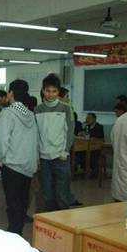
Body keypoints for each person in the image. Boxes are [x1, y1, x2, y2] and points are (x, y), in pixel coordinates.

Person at [0, 80, 39, 236]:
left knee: (12, 202)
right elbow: (35, 141)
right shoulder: (31, 114)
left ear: (11, 93)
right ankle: (18, 231)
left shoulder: (7, 113)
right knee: (22, 201)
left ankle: (14, 233)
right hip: (28, 166)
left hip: (12, 166)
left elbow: (2, 141)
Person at [35, 73, 75, 211]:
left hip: (60, 157)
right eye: (48, 91)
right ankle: (50, 220)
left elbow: (70, 131)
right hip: (44, 158)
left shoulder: (66, 108)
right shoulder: (37, 110)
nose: (50, 94)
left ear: (58, 92)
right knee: (47, 193)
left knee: (62, 193)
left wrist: (65, 151)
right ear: (43, 91)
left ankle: (63, 221)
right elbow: (36, 134)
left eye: (54, 91)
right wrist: (37, 156)